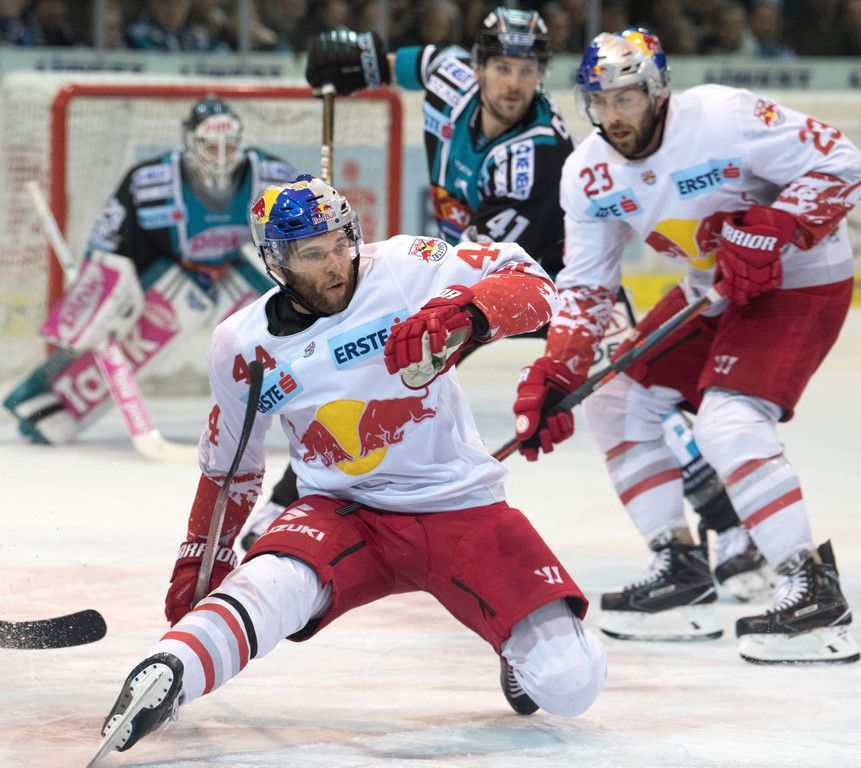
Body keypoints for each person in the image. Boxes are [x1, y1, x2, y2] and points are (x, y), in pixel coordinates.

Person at [243, 7, 768, 604]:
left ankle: (731, 534)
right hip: (467, 280)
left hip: (548, 288)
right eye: (501, 66)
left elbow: (481, 271)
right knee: (372, 370)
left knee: (632, 398)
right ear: (477, 66)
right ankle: (289, 501)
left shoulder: (539, 152)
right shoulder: (446, 75)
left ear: (541, 74)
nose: (513, 82)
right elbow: (399, 64)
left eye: (526, 69)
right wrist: (353, 60)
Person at [94, 176, 607, 756]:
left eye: (341, 243)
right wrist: (201, 553)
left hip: (458, 504)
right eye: (313, 254)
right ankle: (169, 673)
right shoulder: (241, 345)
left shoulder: (407, 266)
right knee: (269, 585)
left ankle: (519, 648)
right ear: (275, 263)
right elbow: (230, 467)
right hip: (341, 512)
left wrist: (464, 314)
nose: (337, 263)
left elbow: (535, 284)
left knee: (572, 685)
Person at [514, 27, 860, 663]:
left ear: (658, 90)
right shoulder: (587, 174)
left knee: (729, 421)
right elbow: (586, 286)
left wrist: (778, 224)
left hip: (802, 280)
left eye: (626, 98)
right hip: (712, 289)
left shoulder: (725, 116)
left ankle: (813, 589)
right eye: (600, 101)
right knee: (615, 401)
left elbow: (841, 160)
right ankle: (682, 570)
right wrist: (557, 369)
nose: (614, 116)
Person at [3, 97, 296, 444]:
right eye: (210, 145)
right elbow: (108, 240)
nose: (221, 155)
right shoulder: (149, 181)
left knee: (287, 327)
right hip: (175, 274)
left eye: (229, 145)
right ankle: (42, 407)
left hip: (237, 272)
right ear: (190, 140)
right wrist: (96, 288)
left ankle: (318, 396)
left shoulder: (273, 176)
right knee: (123, 333)